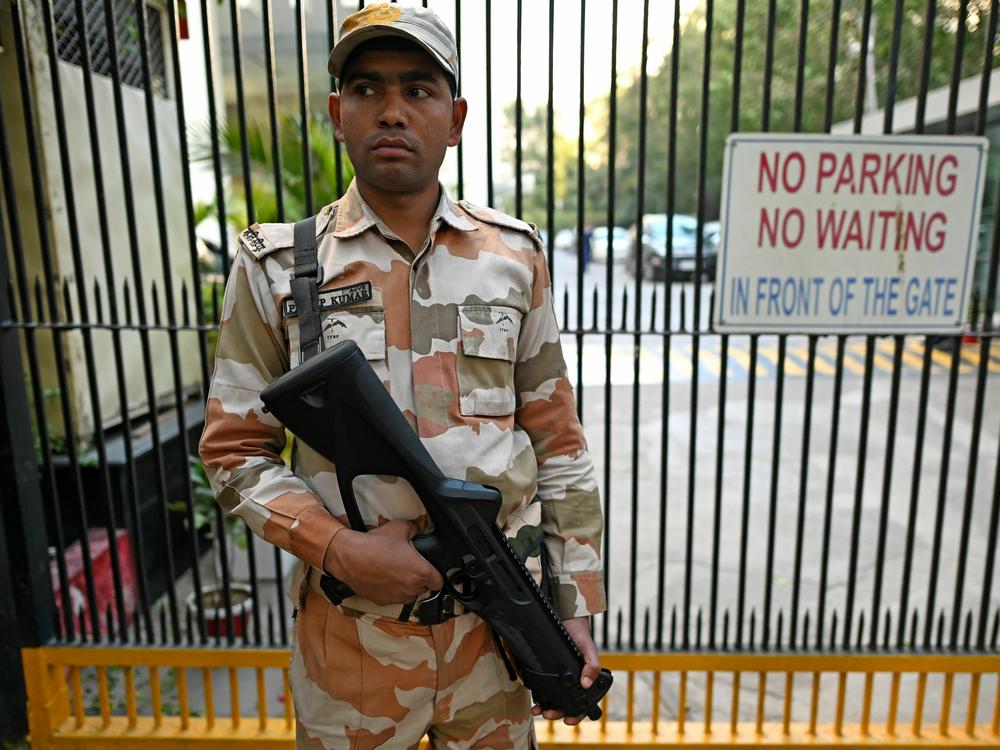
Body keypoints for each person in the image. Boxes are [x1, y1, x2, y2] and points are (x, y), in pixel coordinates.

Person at [199, 4, 606, 747]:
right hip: (352, 647)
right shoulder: (278, 268)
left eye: (418, 90)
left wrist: (571, 605)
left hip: (497, 639)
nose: (392, 110)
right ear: (337, 113)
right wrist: (335, 545)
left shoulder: (512, 259)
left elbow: (558, 440)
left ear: (455, 118)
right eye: (367, 89)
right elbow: (232, 453)